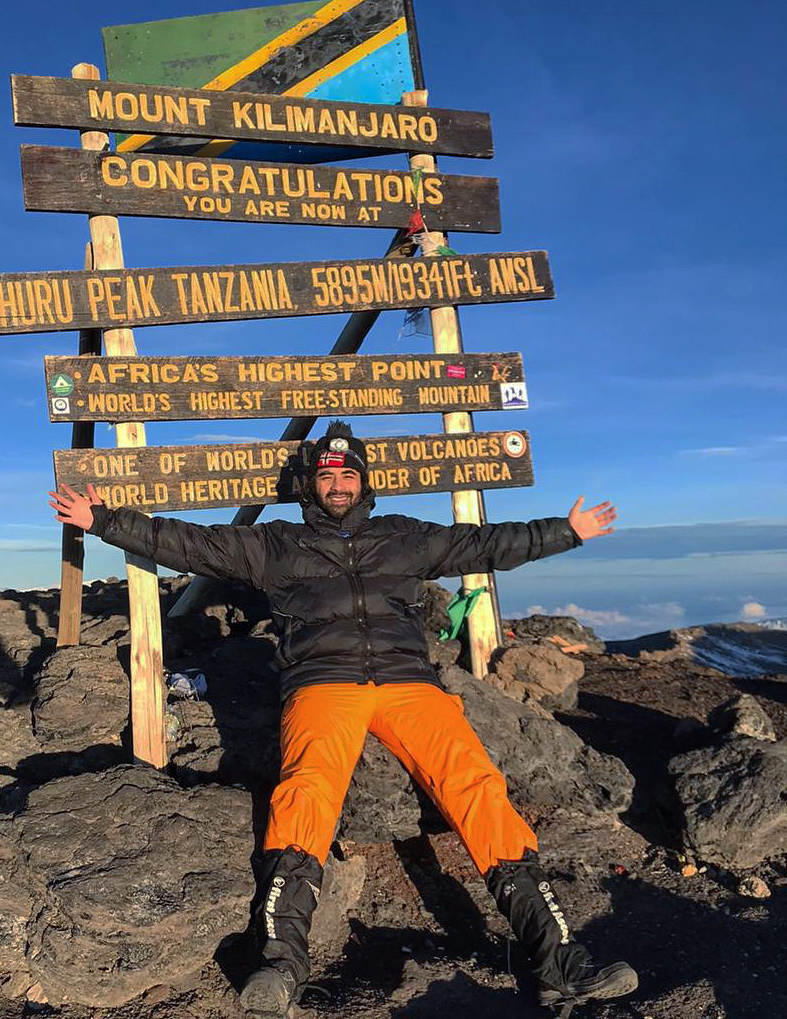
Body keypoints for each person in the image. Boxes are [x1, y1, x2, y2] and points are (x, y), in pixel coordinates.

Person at [49, 420, 637, 1017]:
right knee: (305, 794)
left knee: (477, 786)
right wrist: (105, 522)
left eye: (347, 473)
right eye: (326, 475)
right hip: (323, 684)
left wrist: (565, 531)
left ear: (363, 483)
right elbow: (192, 543)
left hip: (410, 684)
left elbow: (483, 544)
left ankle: (559, 960)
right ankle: (280, 967)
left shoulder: (403, 537)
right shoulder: (276, 544)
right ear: (310, 486)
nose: (337, 483)